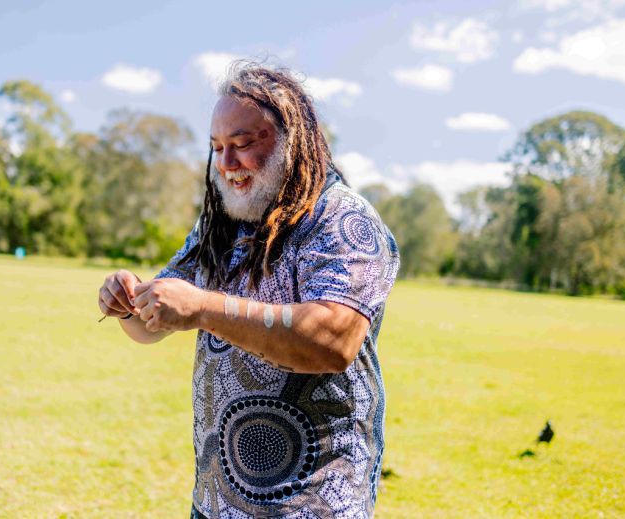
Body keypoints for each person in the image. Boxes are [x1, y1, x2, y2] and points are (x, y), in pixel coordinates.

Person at [97, 62, 400, 518]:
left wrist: (203, 308)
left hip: (311, 505)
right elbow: (151, 325)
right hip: (219, 501)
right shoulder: (222, 223)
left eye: (241, 144)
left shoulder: (343, 220)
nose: (226, 163)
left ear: (290, 141)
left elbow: (334, 340)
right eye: (217, 148)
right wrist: (128, 303)